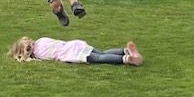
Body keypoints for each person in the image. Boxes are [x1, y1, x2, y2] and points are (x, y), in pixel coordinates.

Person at [9, 37, 142, 65]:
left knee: (99, 59)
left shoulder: (38, 55)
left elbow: (53, 58)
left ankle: (124, 59)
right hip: (76, 44)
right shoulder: (41, 40)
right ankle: (124, 51)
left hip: (73, 54)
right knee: (101, 52)